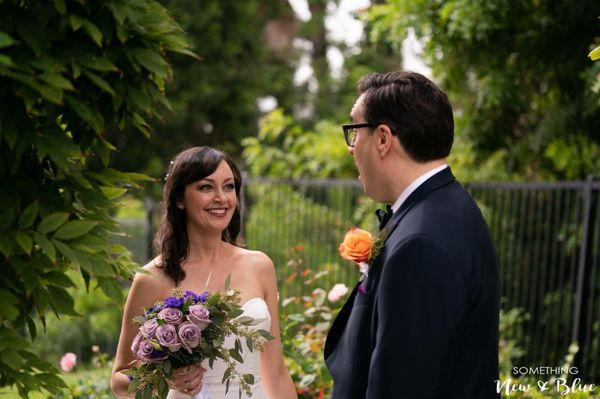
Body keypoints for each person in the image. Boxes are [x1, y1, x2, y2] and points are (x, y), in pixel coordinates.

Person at [324, 71, 500, 398]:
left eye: (354, 131)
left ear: (382, 139)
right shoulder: (443, 207)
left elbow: (402, 384)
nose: (351, 149)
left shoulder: (423, 242)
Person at [111, 146, 297, 399]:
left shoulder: (260, 265)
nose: (221, 197)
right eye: (206, 187)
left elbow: (275, 372)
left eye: (229, 186)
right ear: (179, 198)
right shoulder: (152, 277)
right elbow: (119, 379)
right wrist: (163, 378)